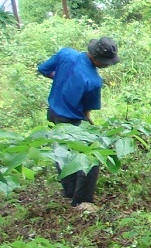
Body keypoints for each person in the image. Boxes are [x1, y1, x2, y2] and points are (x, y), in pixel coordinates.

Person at [36, 37, 120, 211]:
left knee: (62, 153)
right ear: (97, 60)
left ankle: (69, 192)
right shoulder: (93, 81)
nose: (107, 65)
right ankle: (81, 201)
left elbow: (43, 69)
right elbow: (86, 112)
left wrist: (62, 80)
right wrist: (93, 128)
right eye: (106, 63)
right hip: (73, 121)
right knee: (90, 157)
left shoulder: (65, 54)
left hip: (53, 113)